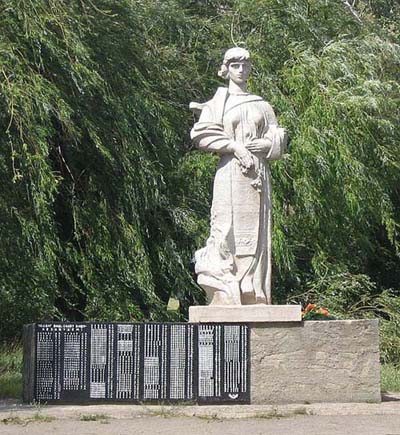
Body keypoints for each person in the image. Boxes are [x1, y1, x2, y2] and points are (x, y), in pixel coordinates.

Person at [190, 47, 287, 305]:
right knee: (226, 227)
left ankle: (253, 287)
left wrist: (268, 145)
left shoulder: (262, 104)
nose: (241, 70)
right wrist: (234, 146)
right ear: (226, 69)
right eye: (235, 65)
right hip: (230, 171)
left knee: (257, 229)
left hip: (257, 174)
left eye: (245, 65)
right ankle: (227, 283)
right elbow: (201, 134)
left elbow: (277, 134)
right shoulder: (218, 102)